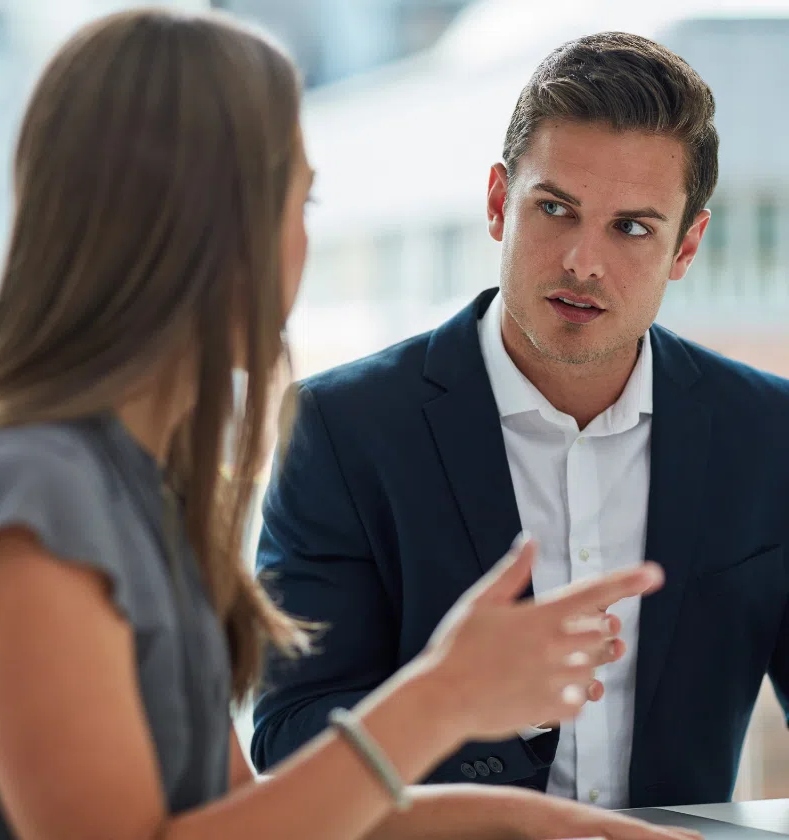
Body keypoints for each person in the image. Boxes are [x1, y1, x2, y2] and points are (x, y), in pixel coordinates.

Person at [0, 9, 702, 840]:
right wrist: (442, 698)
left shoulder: (138, 490)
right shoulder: (35, 497)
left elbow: (236, 819)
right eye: (301, 199)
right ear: (200, 227)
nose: (303, 244)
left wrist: (546, 826)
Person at [252, 30, 789, 810]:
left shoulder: (768, 434)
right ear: (501, 202)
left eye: (632, 228)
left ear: (687, 246)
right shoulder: (339, 430)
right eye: (556, 209)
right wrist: (474, 699)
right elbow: (286, 732)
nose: (582, 261)